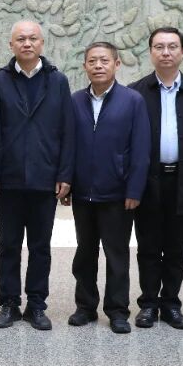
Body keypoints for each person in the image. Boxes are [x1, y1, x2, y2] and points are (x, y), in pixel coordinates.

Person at [0, 20, 74, 331]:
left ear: (42, 43)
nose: (27, 43)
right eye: (21, 39)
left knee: (40, 246)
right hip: (8, 178)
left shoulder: (58, 81)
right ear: (11, 45)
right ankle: (10, 303)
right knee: (8, 245)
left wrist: (65, 174)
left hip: (45, 177)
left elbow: (67, 130)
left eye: (32, 38)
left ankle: (37, 304)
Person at [128, 27, 183, 330]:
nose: (166, 52)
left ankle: (171, 304)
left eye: (172, 46)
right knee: (148, 247)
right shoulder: (135, 92)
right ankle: (148, 304)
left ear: (182, 51)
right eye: (159, 47)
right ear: (150, 52)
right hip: (148, 183)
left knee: (177, 248)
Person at [67, 42, 149, 335]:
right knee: (85, 253)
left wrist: (134, 190)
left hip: (117, 193)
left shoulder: (133, 100)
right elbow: (68, 145)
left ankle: (117, 311)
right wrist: (67, 182)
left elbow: (141, 148)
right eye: (92, 61)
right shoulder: (75, 100)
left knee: (116, 255)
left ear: (117, 64)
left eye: (104, 60)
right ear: (85, 66)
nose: (98, 66)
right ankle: (85, 306)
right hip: (83, 193)